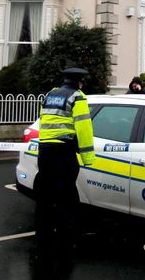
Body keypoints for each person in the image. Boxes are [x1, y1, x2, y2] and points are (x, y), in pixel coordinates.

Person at [35, 67, 96, 268]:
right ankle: (66, 241)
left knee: (45, 197)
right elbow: (84, 128)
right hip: (63, 153)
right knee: (66, 198)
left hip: (45, 152)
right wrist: (88, 158)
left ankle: (42, 239)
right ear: (79, 82)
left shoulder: (50, 95)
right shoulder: (77, 98)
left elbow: (44, 122)